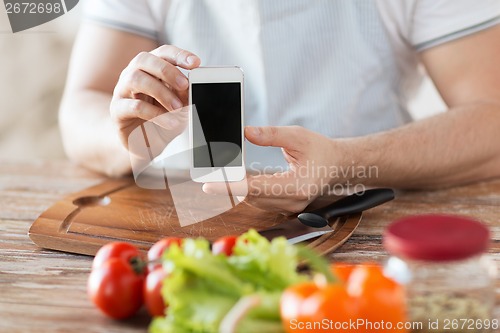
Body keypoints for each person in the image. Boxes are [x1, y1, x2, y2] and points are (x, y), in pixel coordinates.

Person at [60, 0, 500, 214]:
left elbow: (492, 119)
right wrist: (134, 143)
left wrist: (346, 161)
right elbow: (81, 106)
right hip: (187, 221)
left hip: (365, 215)